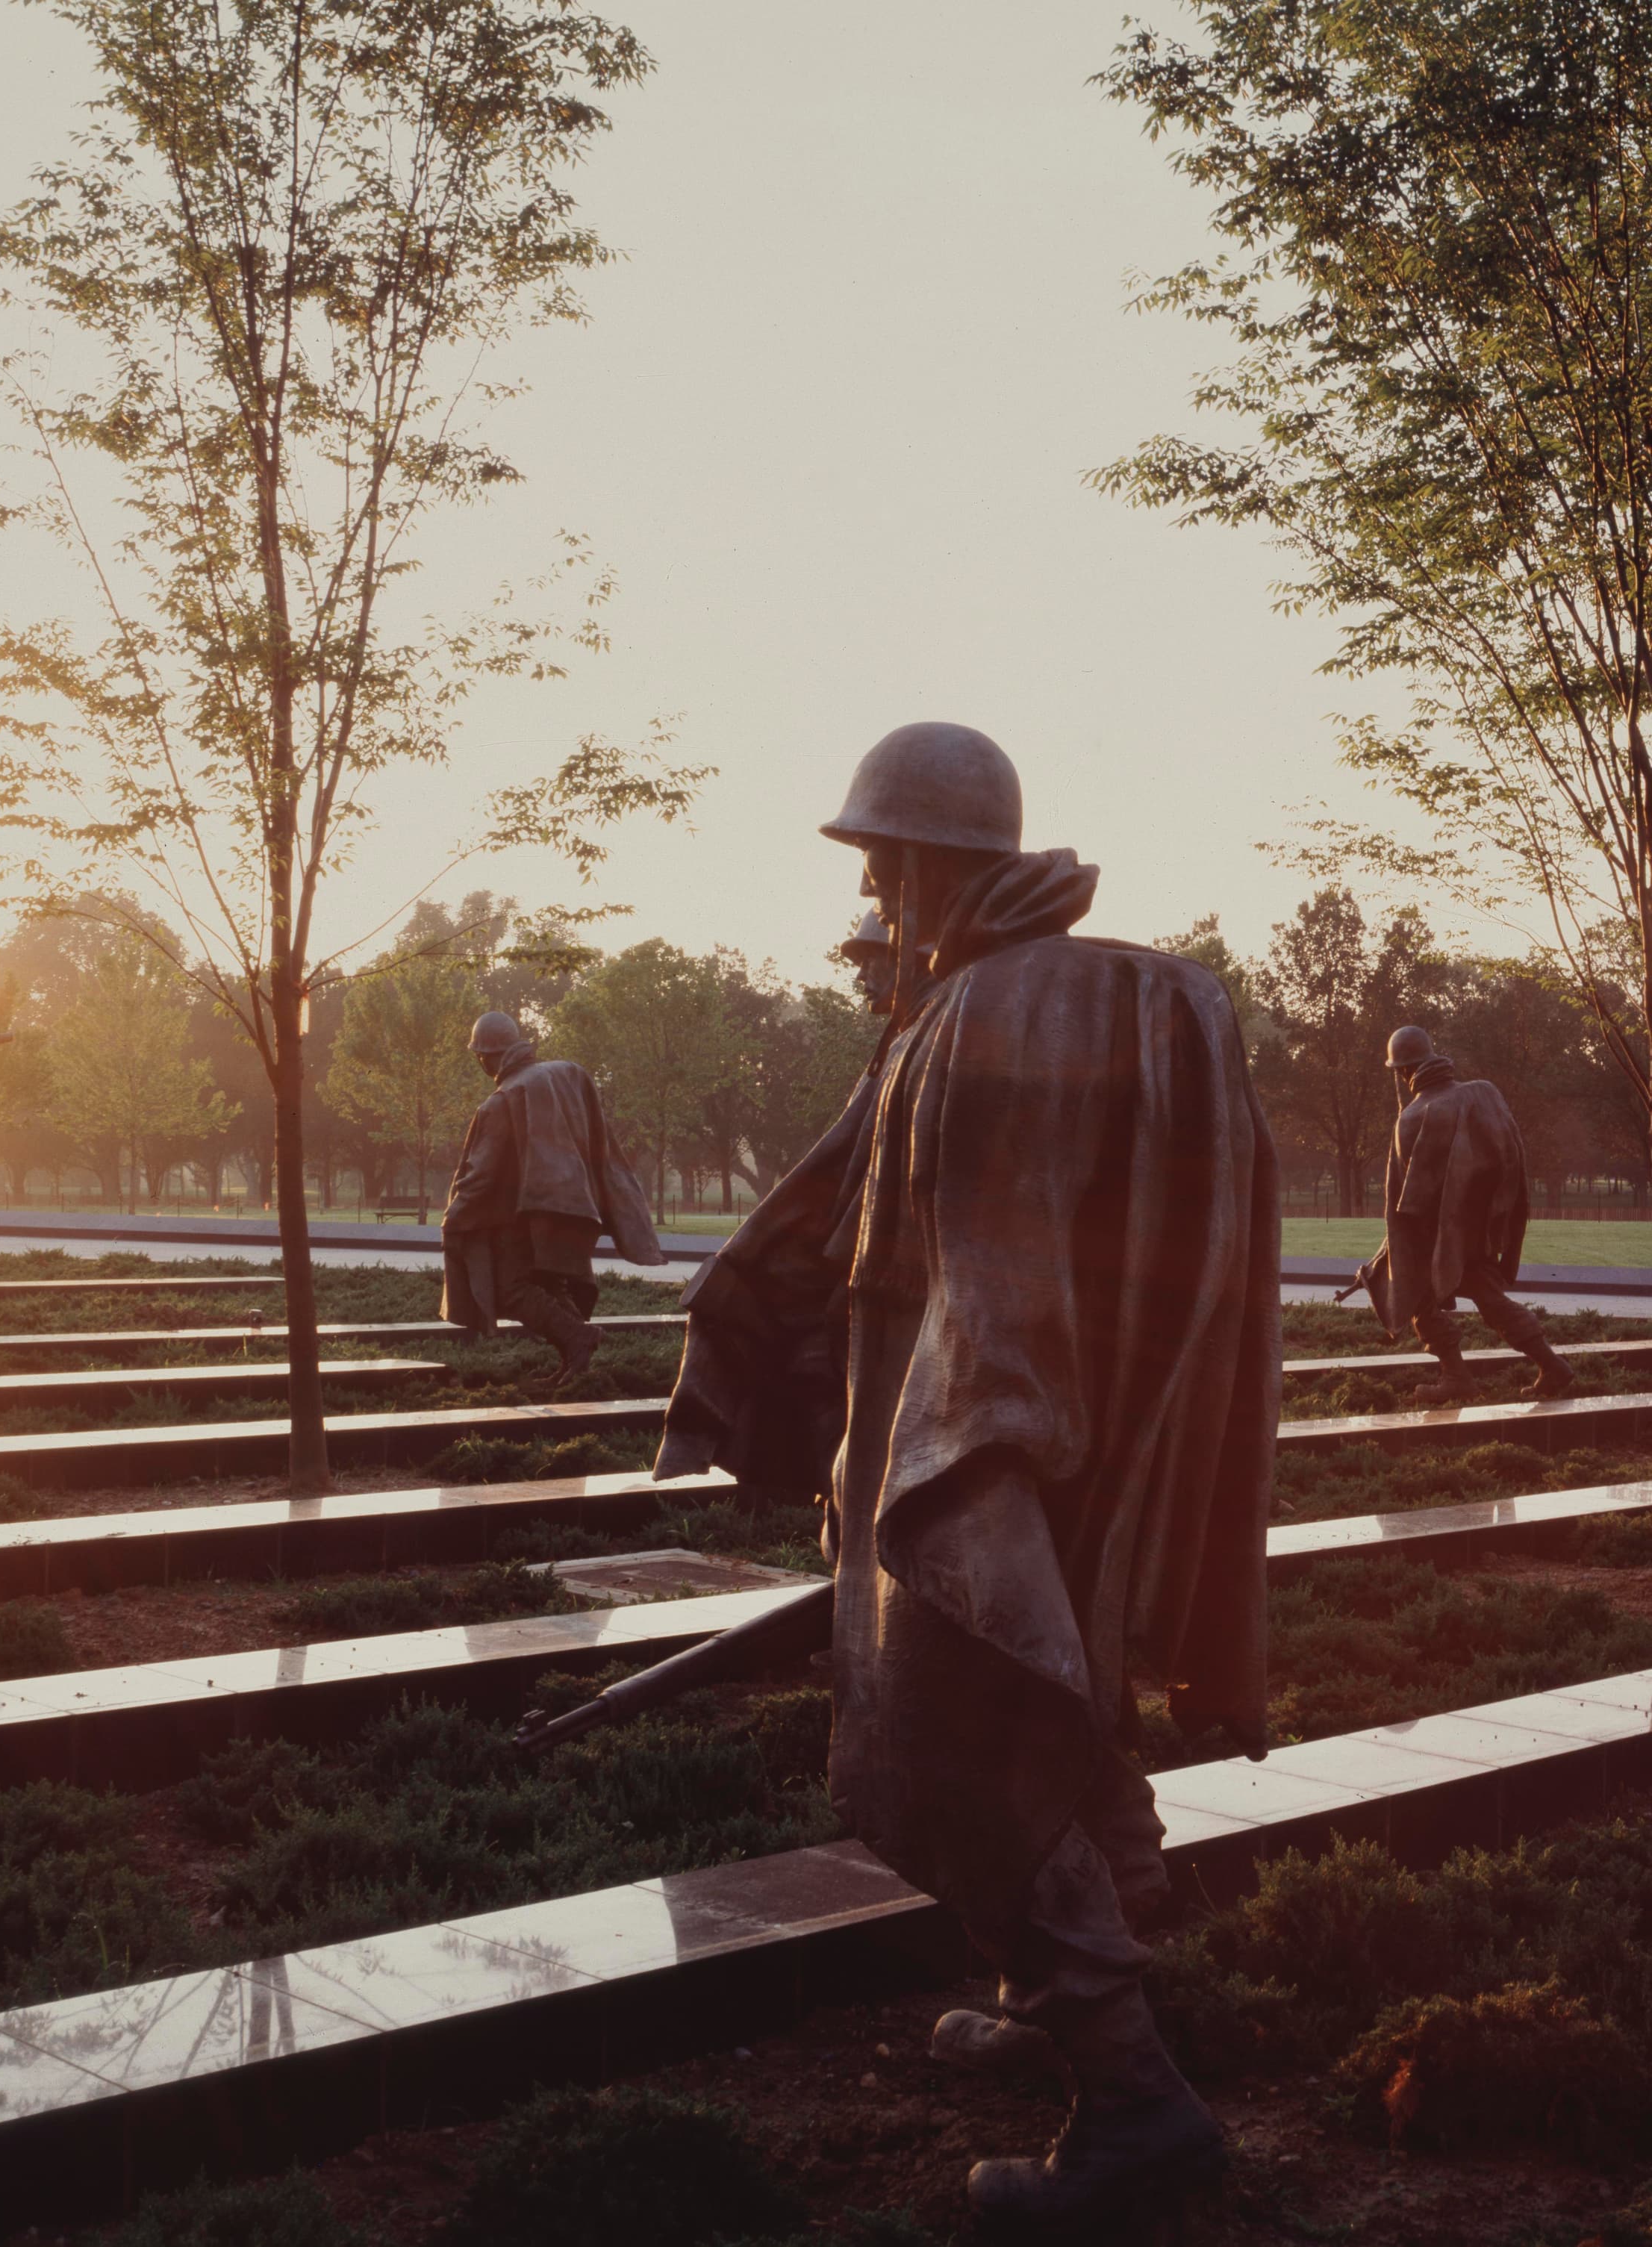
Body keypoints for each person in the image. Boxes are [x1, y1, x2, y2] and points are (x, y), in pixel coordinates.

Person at [553, 723, 1275, 2228]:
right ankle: (1056, 1982)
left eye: (884, 861)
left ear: (931, 858)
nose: (875, 889)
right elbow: (851, 1218)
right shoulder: (982, 1003)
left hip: (978, 1445)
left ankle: (1135, 2096)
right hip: (1024, 1434)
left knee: (958, 1735)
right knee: (1060, 1701)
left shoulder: (992, 1018)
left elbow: (993, 1283)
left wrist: (963, 1471)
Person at [437, 1011, 666, 1385]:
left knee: (514, 1289)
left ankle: (578, 1338)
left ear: (484, 1056)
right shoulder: (560, 1075)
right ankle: (574, 1360)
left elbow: (479, 1178)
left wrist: (454, 1218)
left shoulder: (502, 1101)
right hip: (567, 1206)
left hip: (524, 1216)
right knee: (547, 1282)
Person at [1354, 1024, 1574, 1404]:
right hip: (1479, 1229)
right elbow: (1506, 1162)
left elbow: (1413, 1206)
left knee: (1417, 1293)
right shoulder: (1483, 1093)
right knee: (1489, 1298)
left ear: (1402, 1071)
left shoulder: (1413, 1117)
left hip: (1438, 1237)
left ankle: (1458, 1377)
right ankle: (1551, 1367)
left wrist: (1391, 1258)